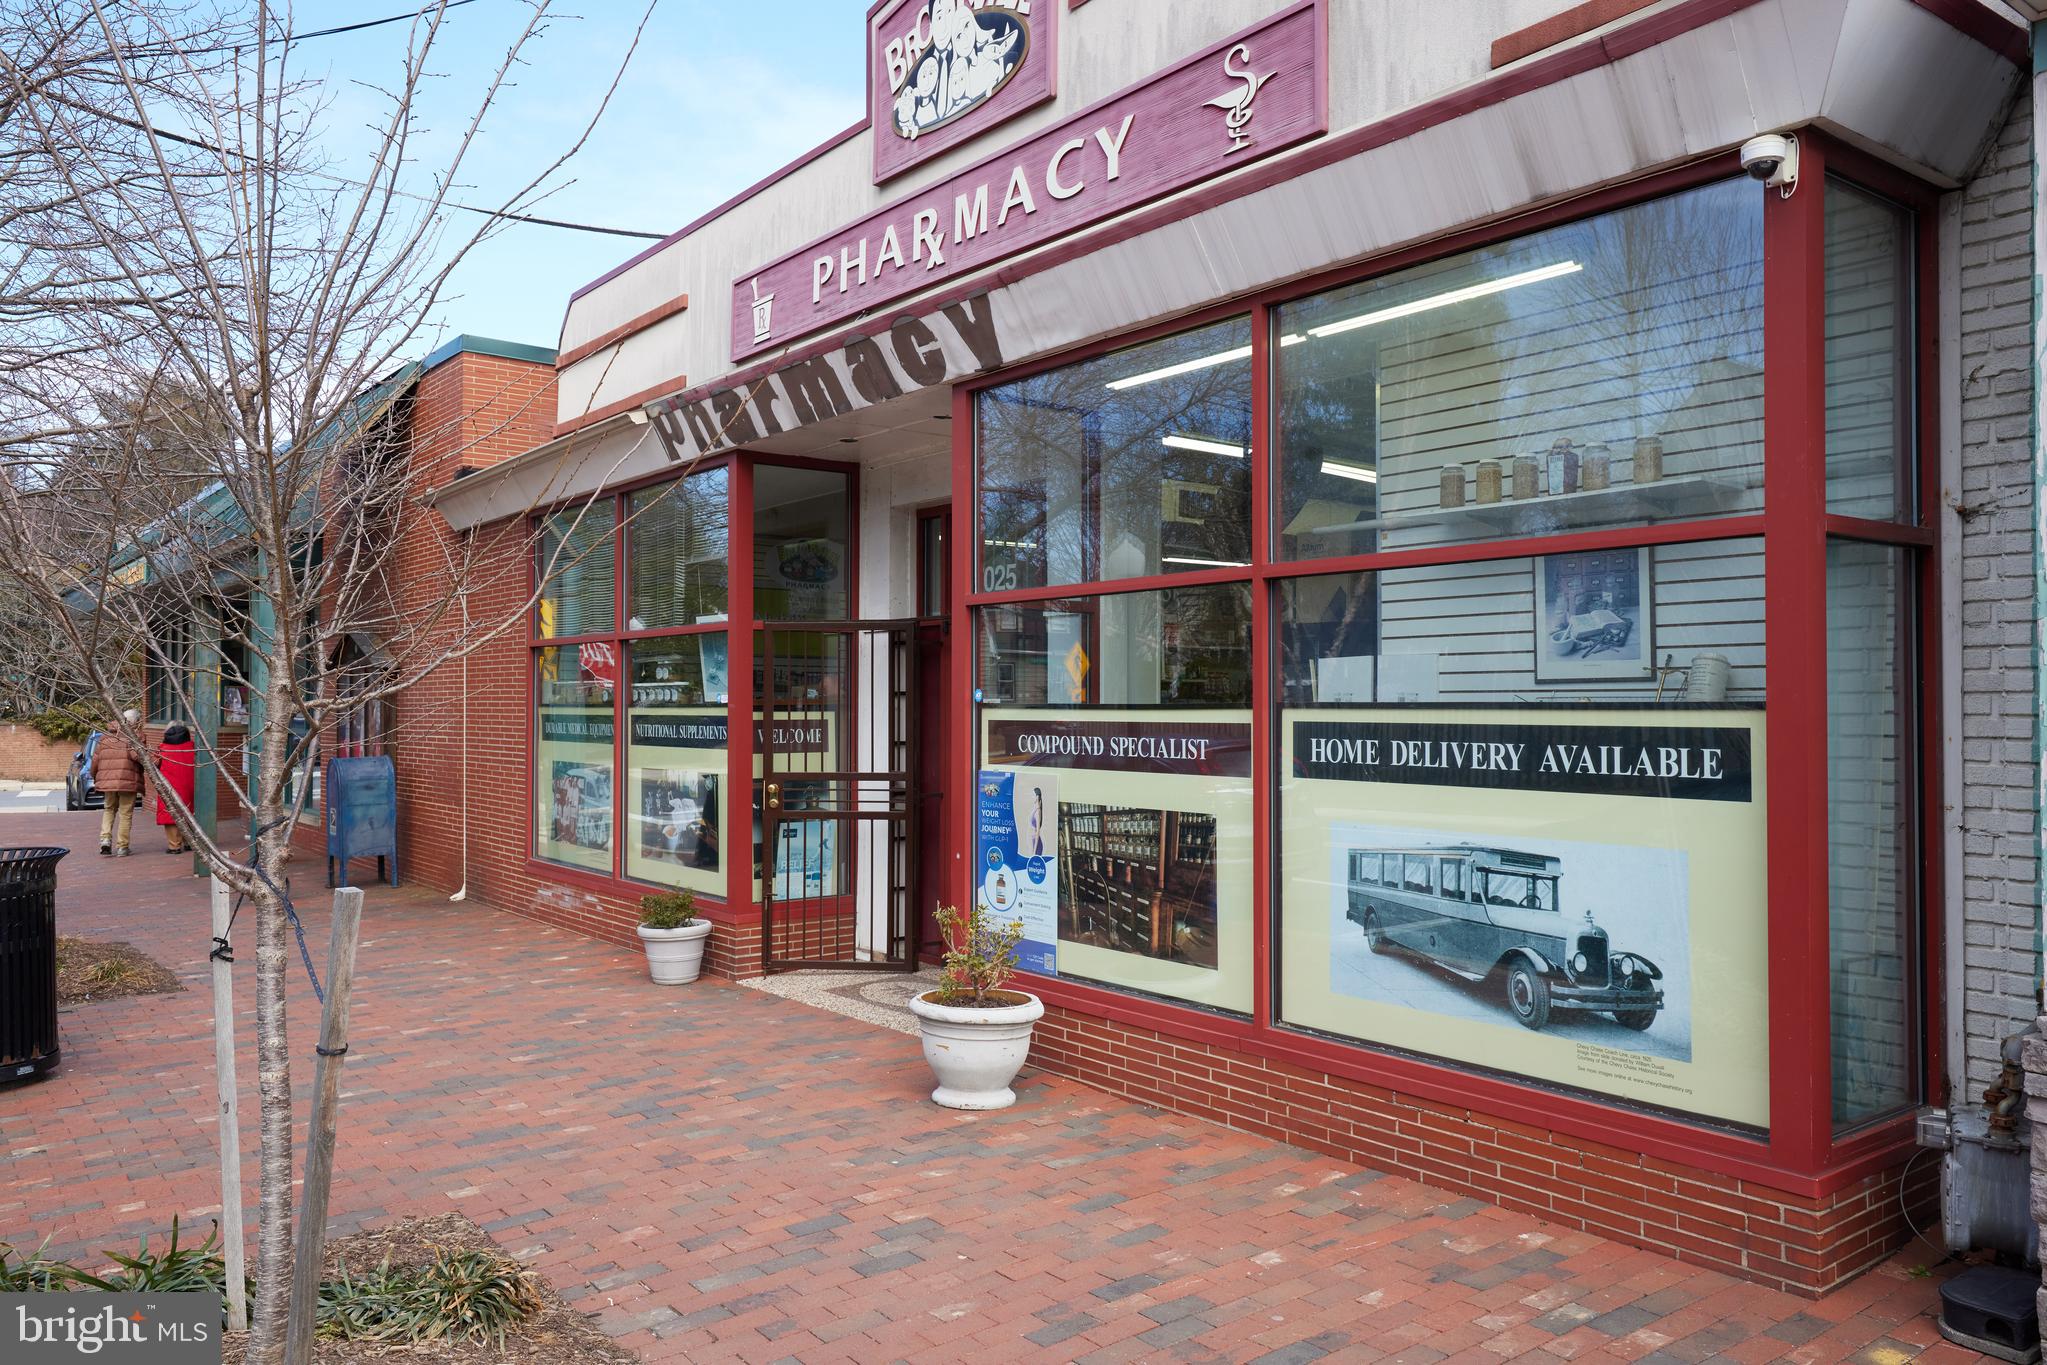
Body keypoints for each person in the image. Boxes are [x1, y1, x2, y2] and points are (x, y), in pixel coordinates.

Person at [91, 709, 145, 856]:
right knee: (125, 813)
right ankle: (122, 846)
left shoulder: (105, 736)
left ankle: (105, 839)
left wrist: (94, 776)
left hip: (108, 780)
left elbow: (95, 759)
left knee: (109, 809)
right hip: (127, 781)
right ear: (135, 722)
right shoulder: (135, 737)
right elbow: (139, 757)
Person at [154, 723, 197, 855]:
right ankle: (189, 842)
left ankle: (174, 845)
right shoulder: (193, 748)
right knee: (188, 812)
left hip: (169, 786)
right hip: (189, 785)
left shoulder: (162, 749)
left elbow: (154, 765)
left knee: (170, 813)